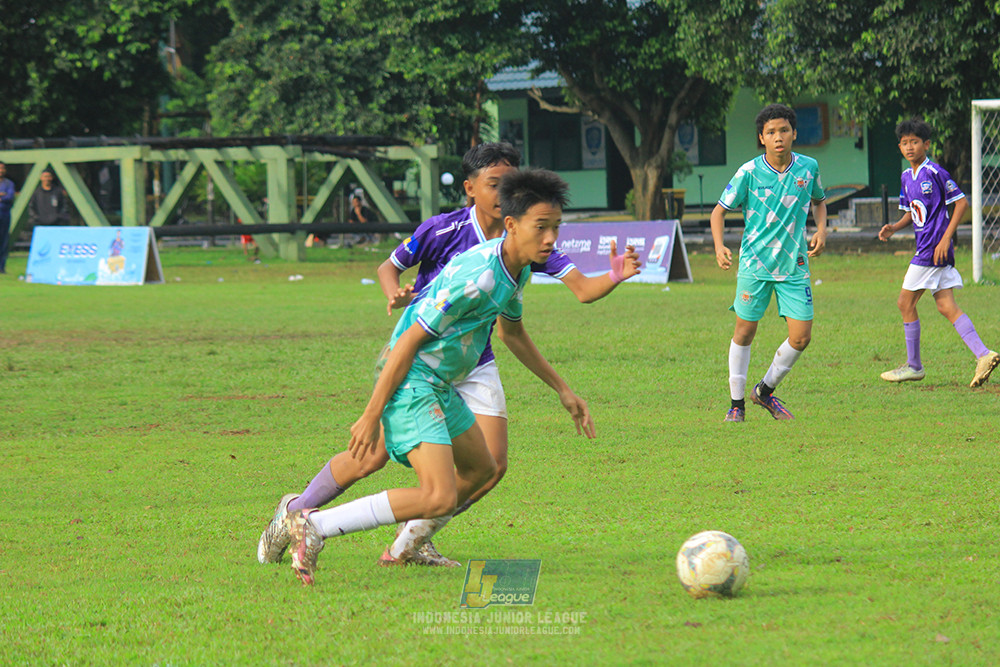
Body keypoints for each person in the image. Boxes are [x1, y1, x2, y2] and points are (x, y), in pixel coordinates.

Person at [256, 142, 640, 569]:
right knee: (396, 468)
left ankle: (404, 547)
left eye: (556, 227)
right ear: (476, 192)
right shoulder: (467, 260)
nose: (551, 238)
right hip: (417, 369)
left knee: (483, 469)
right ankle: (305, 518)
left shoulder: (520, 264)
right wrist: (371, 409)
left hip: (456, 368)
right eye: (495, 184)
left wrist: (565, 388)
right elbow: (406, 337)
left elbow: (514, 331)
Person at [710, 103, 827, 422]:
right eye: (771, 132)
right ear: (761, 138)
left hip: (794, 267)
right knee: (745, 331)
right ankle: (736, 405)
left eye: (784, 131)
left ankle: (764, 391)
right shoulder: (748, 172)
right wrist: (719, 246)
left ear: (794, 134)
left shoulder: (808, 168)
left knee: (802, 336)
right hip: (755, 266)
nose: (778, 137)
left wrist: (821, 230)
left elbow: (819, 202)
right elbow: (719, 211)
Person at [877, 118, 999, 388]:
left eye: (915, 142)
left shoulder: (935, 172)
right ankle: (983, 354)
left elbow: (962, 203)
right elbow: (912, 211)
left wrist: (946, 239)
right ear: (899, 146)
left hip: (931, 250)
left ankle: (914, 366)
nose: (910, 147)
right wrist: (895, 227)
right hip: (929, 249)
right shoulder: (906, 177)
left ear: (926, 145)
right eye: (905, 143)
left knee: (904, 303)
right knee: (946, 306)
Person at [0, 162, 14, 274]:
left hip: (4, 214)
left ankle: (2, 267)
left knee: (3, 240)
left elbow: (9, 196)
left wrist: (3, 197)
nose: (1, 170)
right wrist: (2, 195)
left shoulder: (9, 184)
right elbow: (5, 196)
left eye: (3, 168)